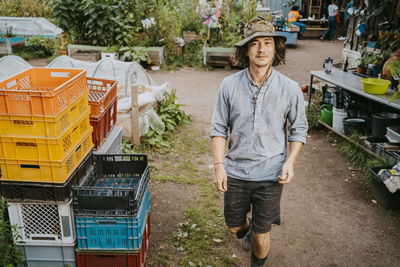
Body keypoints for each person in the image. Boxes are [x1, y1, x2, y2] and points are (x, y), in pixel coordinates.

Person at [210, 17, 308, 267]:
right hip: (236, 172)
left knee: (261, 235)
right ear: (245, 50)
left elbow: (298, 130)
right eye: (255, 44)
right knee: (234, 227)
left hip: (270, 174)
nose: (262, 49)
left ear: (276, 48)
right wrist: (219, 166)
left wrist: (290, 162)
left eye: (267, 43)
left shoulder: (290, 88)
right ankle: (246, 227)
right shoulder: (229, 85)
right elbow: (219, 128)